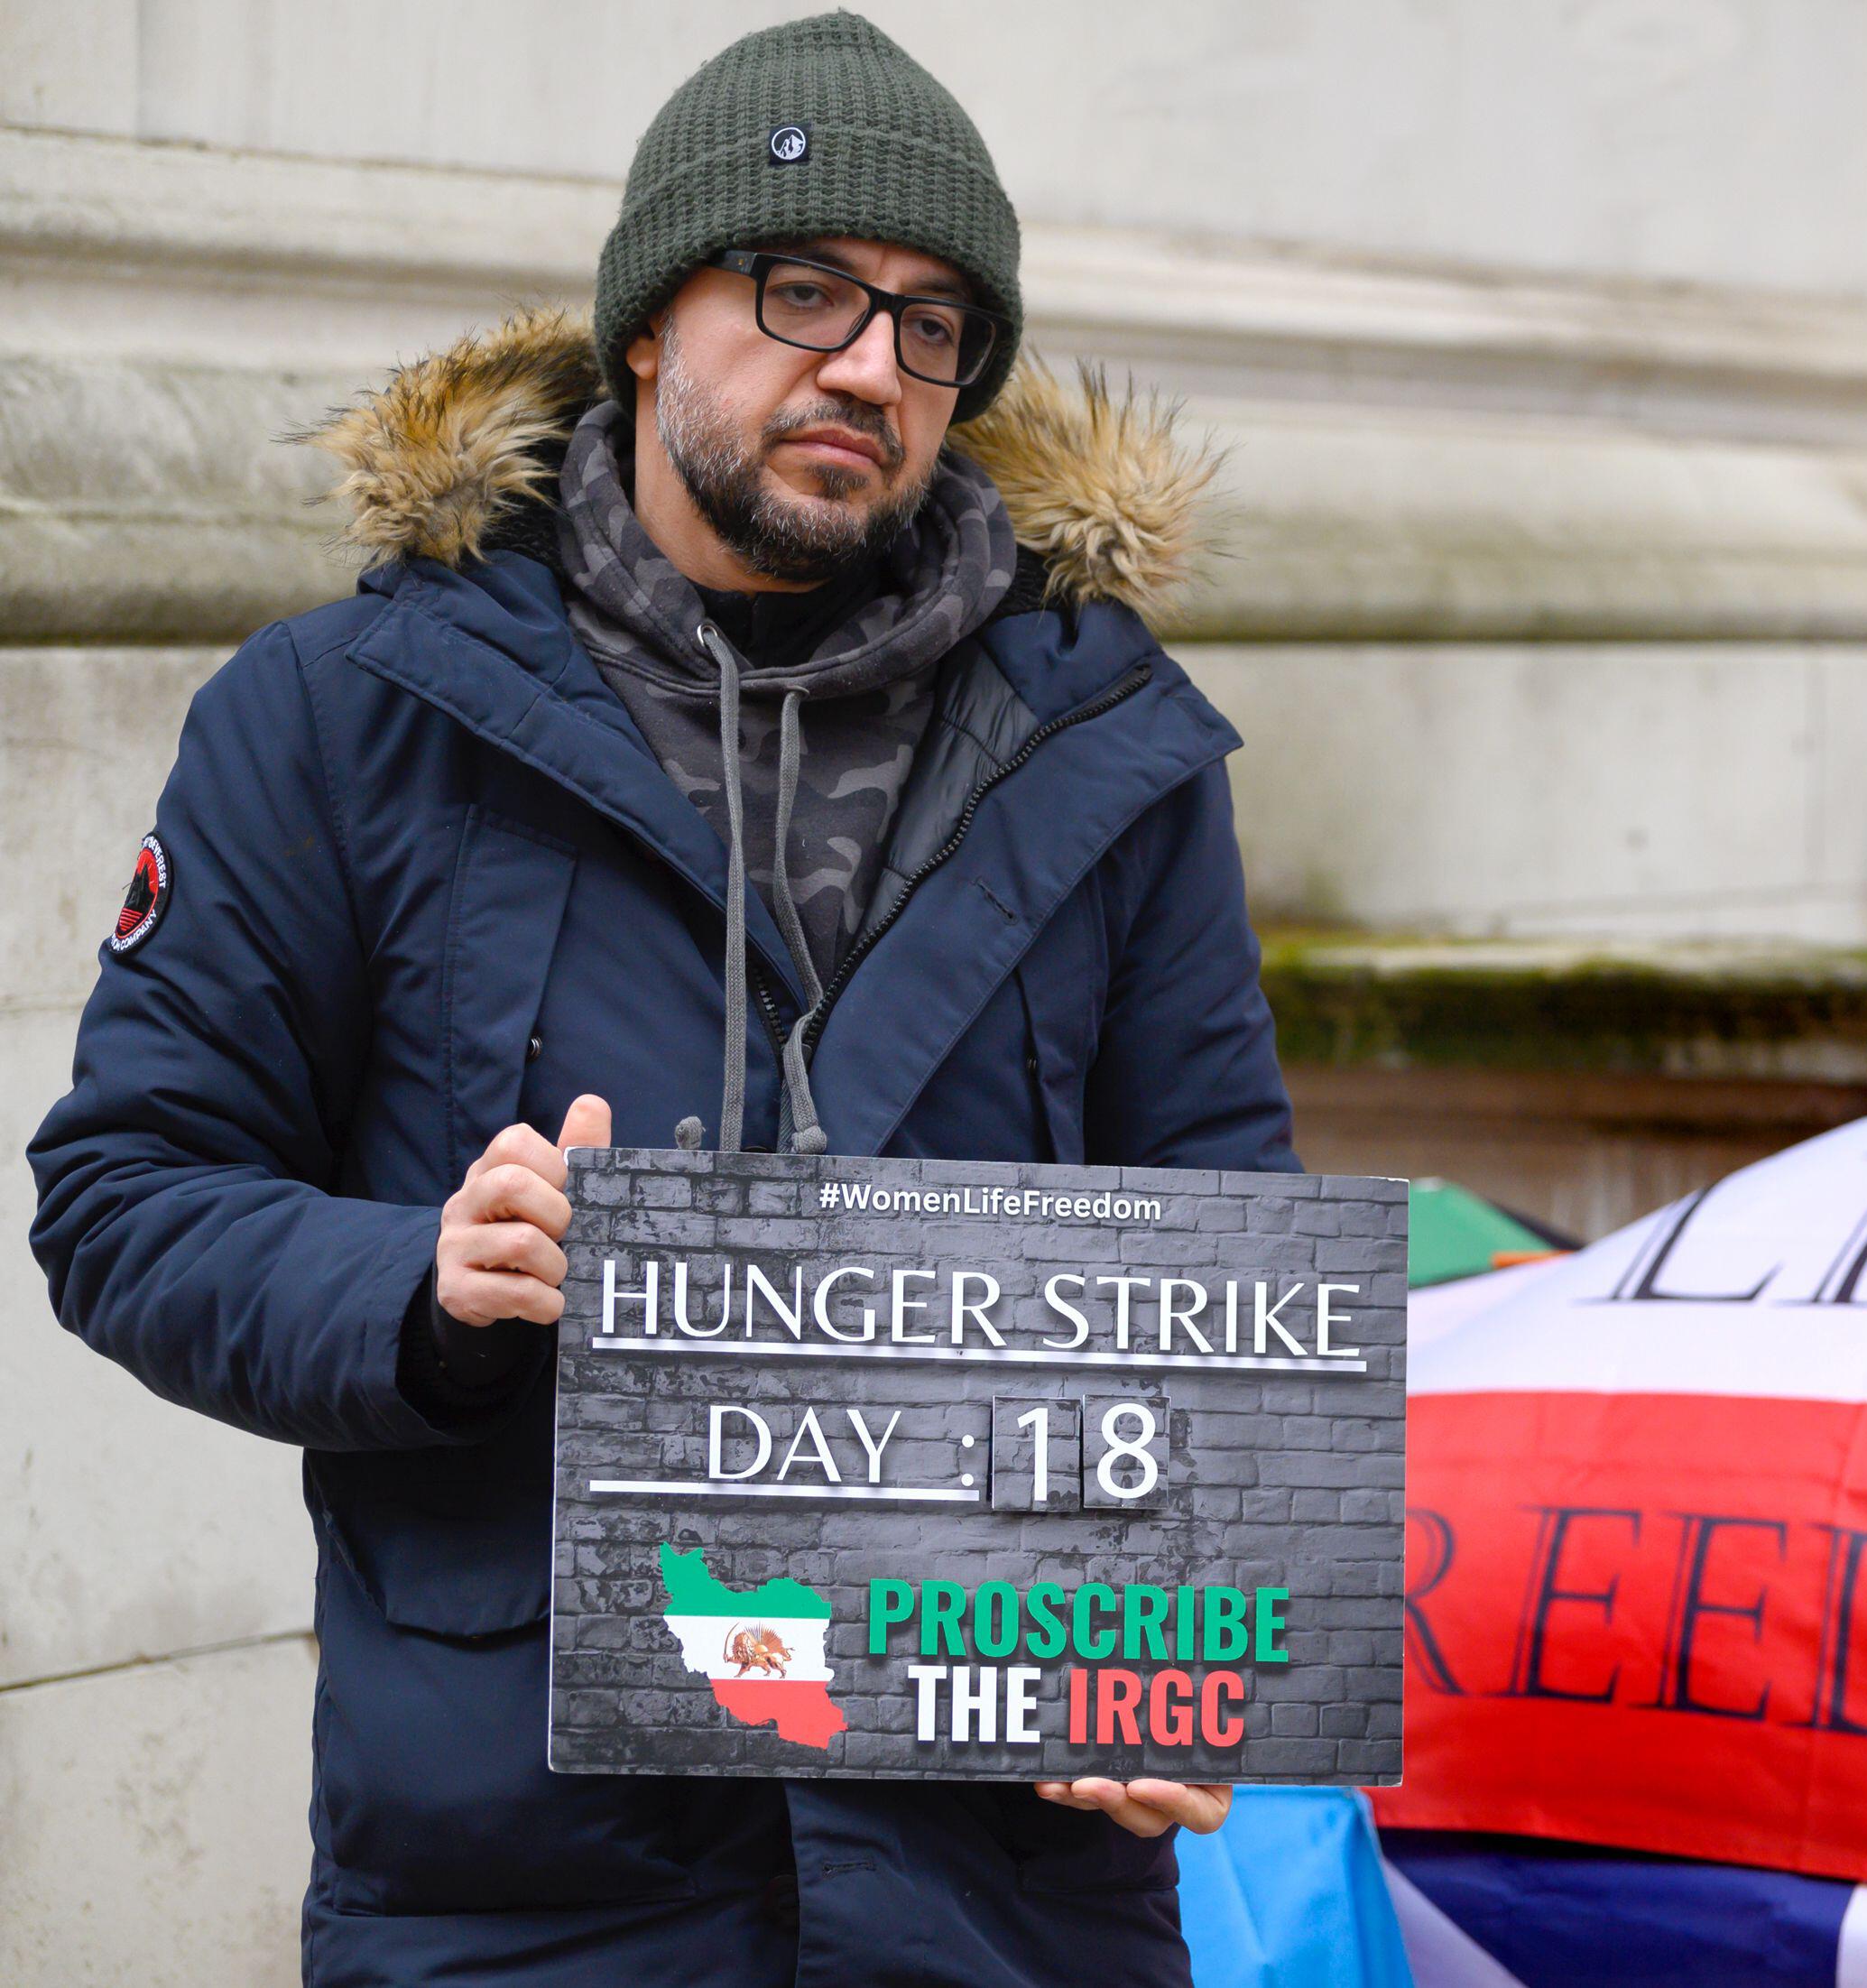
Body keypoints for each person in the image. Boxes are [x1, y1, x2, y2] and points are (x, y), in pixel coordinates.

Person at [26, 14, 1293, 1984]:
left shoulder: (1111, 746)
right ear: (645, 318)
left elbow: (1223, 1266)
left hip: (996, 1907)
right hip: (521, 1892)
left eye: (935, 325)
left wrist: (1175, 1639)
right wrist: (424, 1286)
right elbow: (129, 1195)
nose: (870, 364)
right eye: (806, 291)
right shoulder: (344, 719)